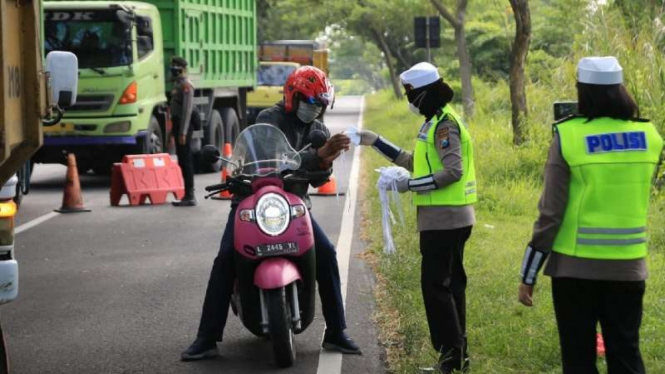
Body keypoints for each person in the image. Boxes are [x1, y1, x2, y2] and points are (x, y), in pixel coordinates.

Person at [181, 65, 361, 360]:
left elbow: (318, 179)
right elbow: (271, 165)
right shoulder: (269, 119)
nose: (314, 109)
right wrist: (317, 156)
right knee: (226, 257)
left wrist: (325, 160)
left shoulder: (319, 130)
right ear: (293, 95)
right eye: (310, 102)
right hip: (253, 199)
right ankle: (206, 337)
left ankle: (337, 332)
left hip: (291, 204)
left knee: (326, 253)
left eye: (320, 105)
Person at [518, 56, 664, 374]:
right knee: (626, 354)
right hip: (629, 268)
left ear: (583, 92)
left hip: (575, 271)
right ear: (620, 90)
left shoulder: (568, 136)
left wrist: (528, 275)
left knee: (579, 358)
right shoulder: (649, 137)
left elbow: (550, 215)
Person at [358, 62, 476, 373]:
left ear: (424, 93)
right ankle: (457, 357)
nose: (409, 100)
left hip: (445, 219)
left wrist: (407, 186)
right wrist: (376, 142)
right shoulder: (433, 122)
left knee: (437, 289)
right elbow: (415, 162)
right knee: (450, 288)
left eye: (411, 94)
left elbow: (453, 172)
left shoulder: (445, 125)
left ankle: (451, 359)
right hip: (447, 218)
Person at [169, 56, 197, 207]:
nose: (173, 69)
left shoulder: (186, 85)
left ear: (183, 68)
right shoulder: (178, 84)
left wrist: (183, 133)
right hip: (178, 126)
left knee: (186, 161)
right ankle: (187, 194)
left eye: (176, 66)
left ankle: (190, 195)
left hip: (184, 127)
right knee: (182, 160)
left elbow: (187, 111)